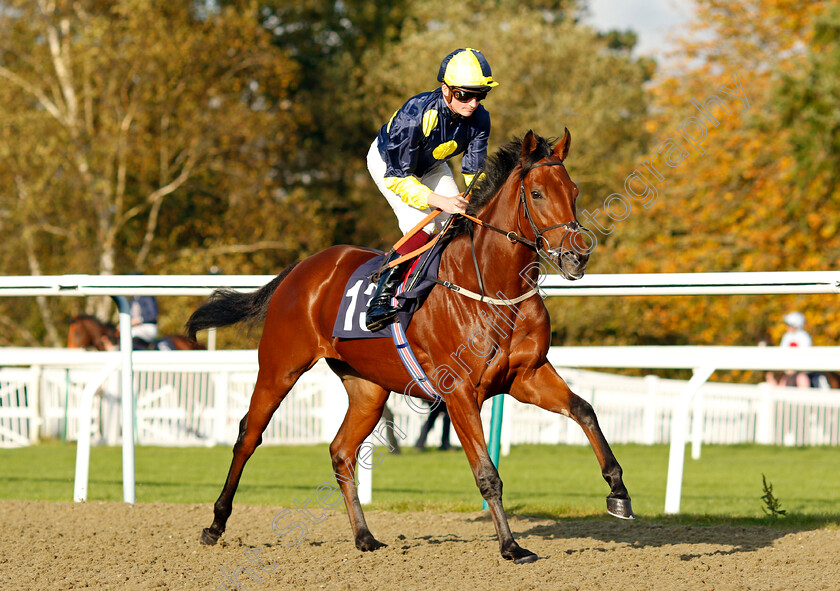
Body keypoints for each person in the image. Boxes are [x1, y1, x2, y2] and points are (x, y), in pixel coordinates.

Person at [365, 48, 498, 331]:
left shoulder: (480, 120)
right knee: (421, 226)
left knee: (457, 221)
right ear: (446, 90)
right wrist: (440, 200)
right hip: (390, 165)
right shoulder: (415, 114)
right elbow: (399, 176)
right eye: (464, 94)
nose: (473, 103)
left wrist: (473, 202)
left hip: (432, 165)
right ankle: (380, 298)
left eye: (480, 95)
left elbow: (474, 172)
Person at [771, 311, 812, 388]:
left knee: (802, 380)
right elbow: (782, 351)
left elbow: (805, 354)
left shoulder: (804, 336)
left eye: (789, 325)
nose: (787, 327)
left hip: (800, 369)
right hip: (787, 368)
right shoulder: (786, 336)